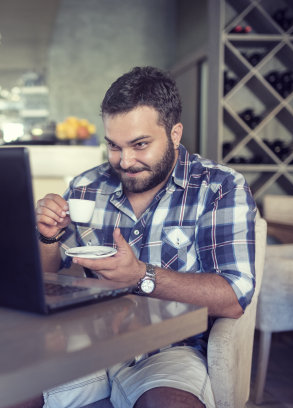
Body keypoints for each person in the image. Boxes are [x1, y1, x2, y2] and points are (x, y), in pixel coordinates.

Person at [35, 66, 257, 408]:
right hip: (86, 345)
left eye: (140, 145)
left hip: (171, 350)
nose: (124, 161)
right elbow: (49, 278)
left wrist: (142, 276)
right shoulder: (85, 187)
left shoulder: (219, 187)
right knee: (4, 392)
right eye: (113, 146)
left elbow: (233, 296)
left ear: (175, 133)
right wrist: (47, 237)